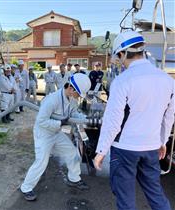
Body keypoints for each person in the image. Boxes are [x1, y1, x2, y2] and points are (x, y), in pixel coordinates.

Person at [94, 31, 174, 210]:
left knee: (126, 200)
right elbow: (169, 115)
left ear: (123, 54)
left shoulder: (123, 81)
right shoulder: (167, 80)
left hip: (125, 149)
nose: (119, 60)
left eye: (118, 56)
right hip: (151, 147)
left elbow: (113, 121)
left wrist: (100, 152)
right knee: (156, 195)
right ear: (142, 50)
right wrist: (163, 141)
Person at [20, 73, 92, 201]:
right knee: (41, 162)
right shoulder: (52, 100)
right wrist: (60, 123)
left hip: (56, 132)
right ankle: (26, 188)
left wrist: (87, 120)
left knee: (72, 152)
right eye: (78, 94)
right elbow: (41, 121)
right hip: (44, 134)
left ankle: (74, 179)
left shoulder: (72, 100)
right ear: (71, 88)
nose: (79, 97)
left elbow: (74, 113)